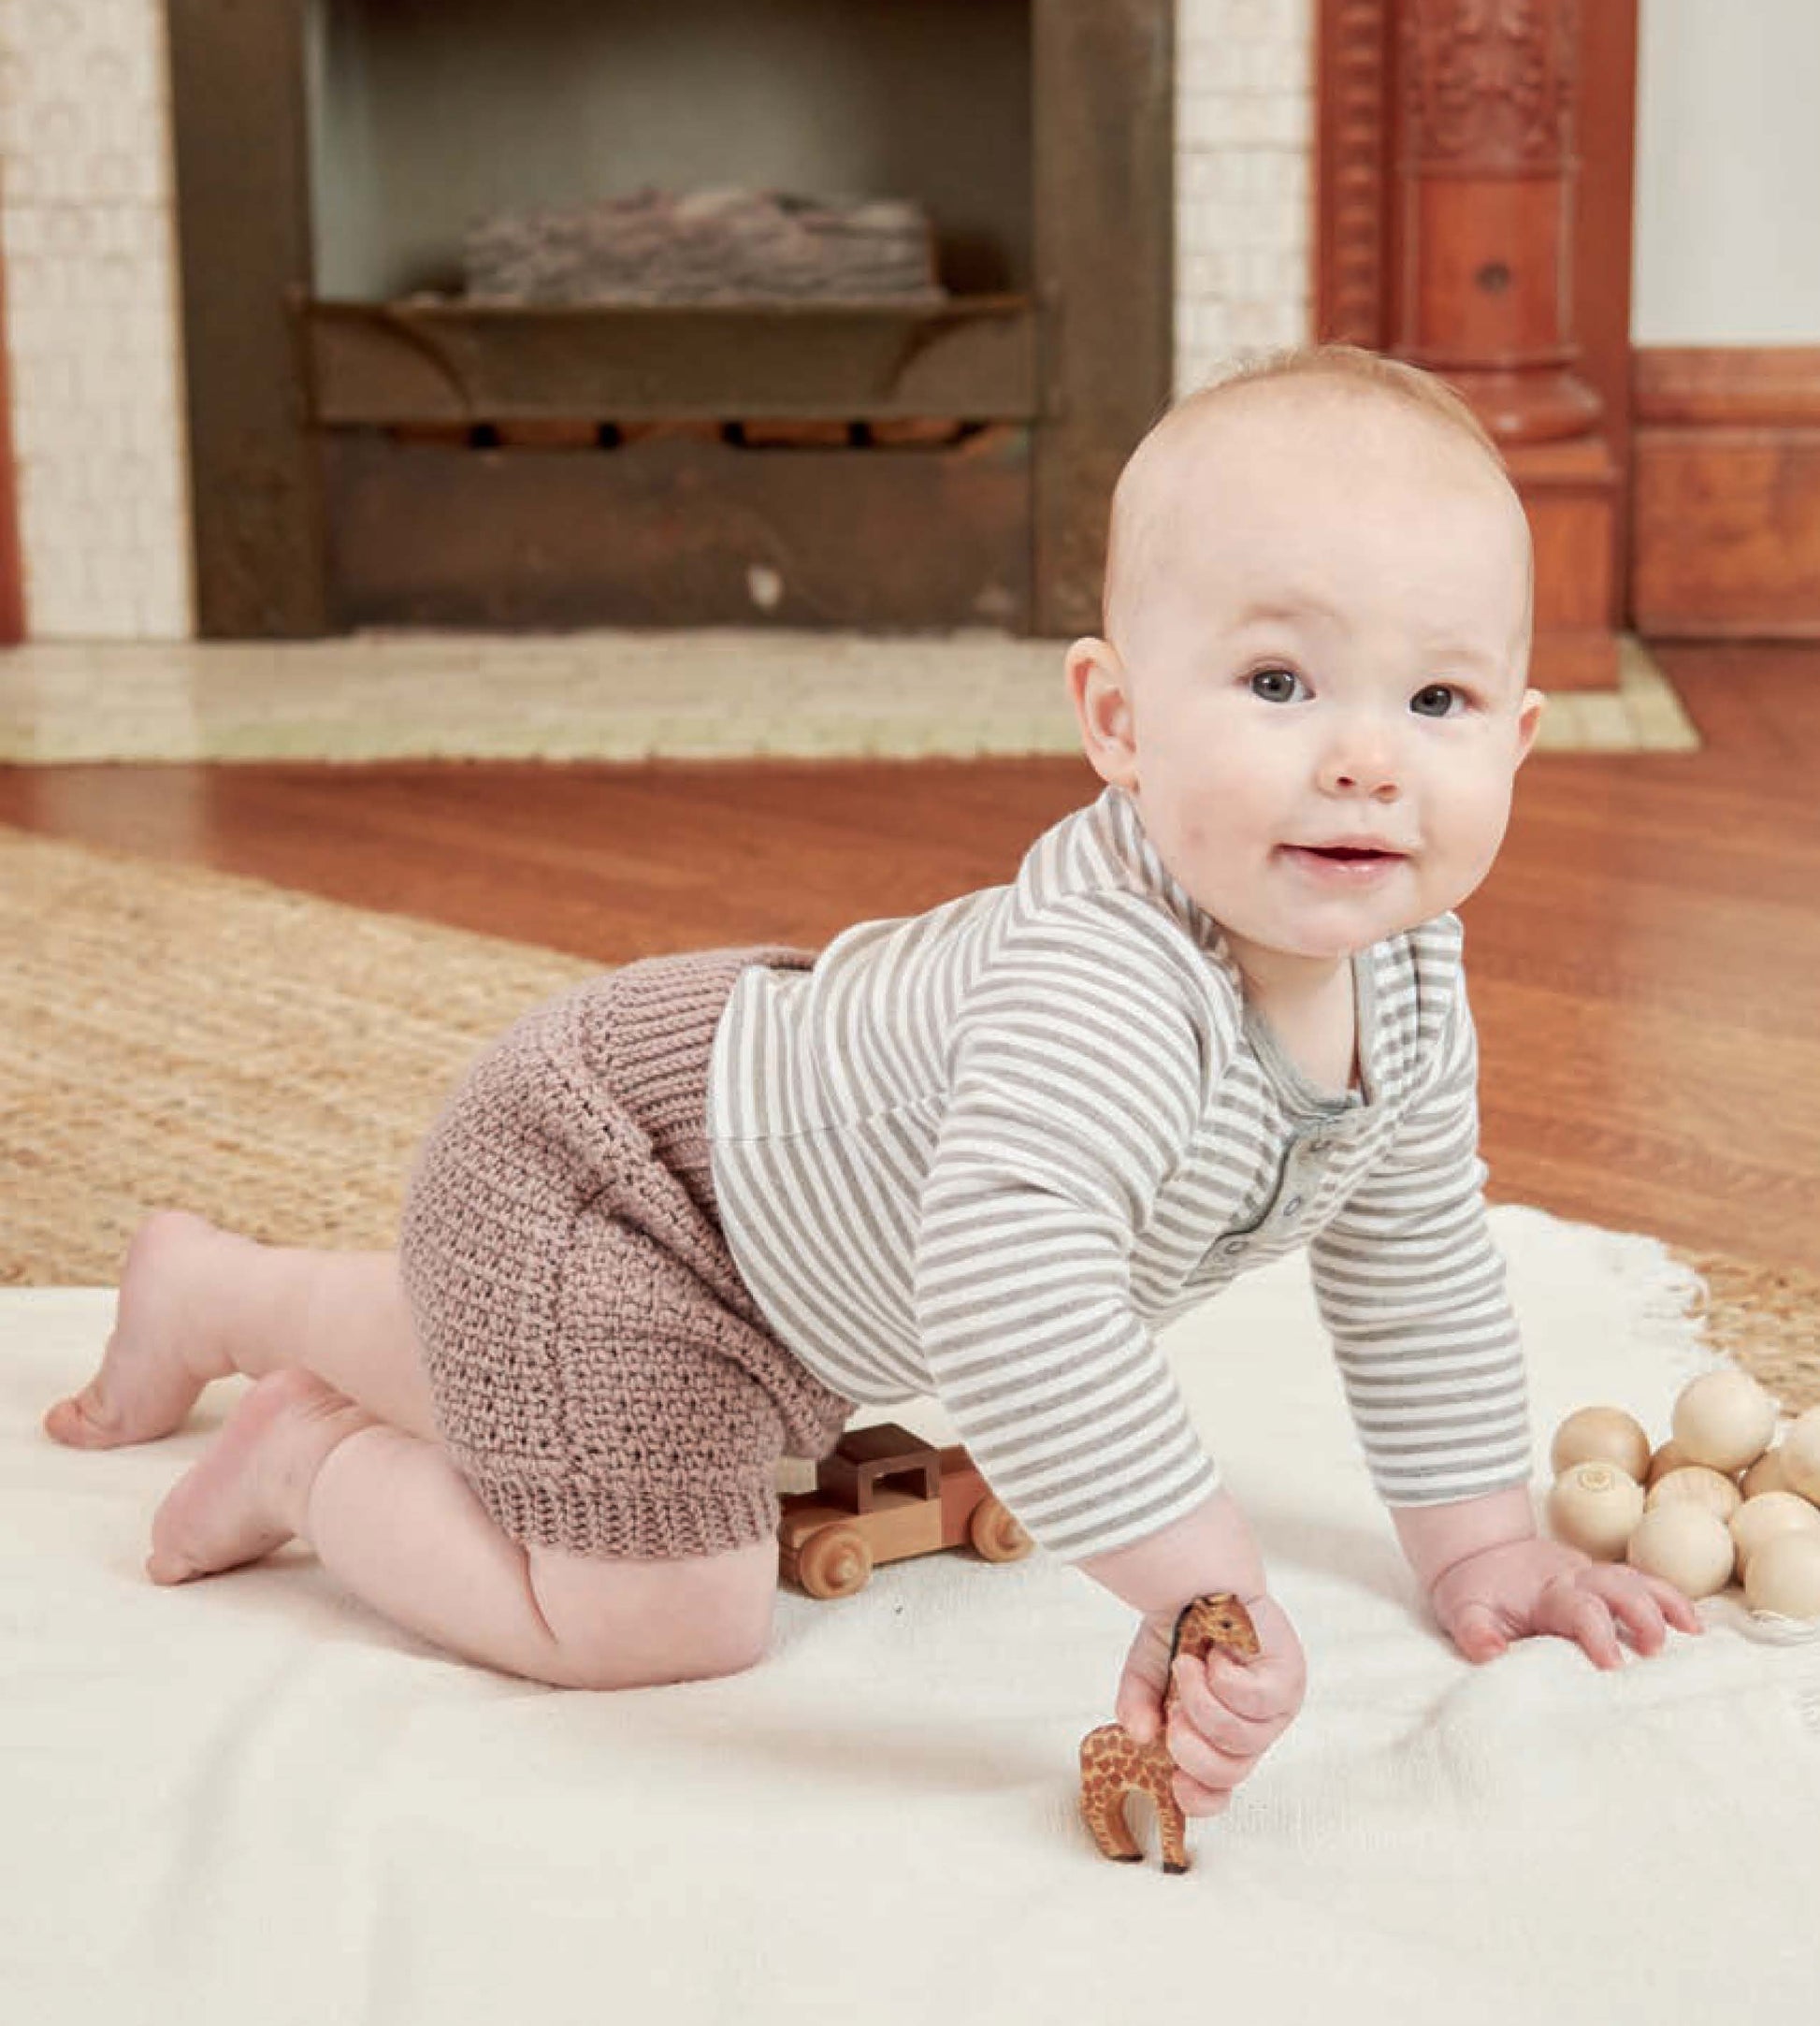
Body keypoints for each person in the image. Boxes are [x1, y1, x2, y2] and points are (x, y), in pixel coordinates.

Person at [44, 344, 1699, 1822]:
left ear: (1519, 741)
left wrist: (1480, 1543)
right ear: (1115, 719)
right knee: (665, 1614)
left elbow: (1411, 1267)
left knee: (547, 1372)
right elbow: (1012, 1296)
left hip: (730, 1255)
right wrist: (1200, 1581)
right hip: (623, 1180)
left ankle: (218, 1290)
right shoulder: (1109, 984)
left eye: (1436, 698)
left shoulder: (1408, 976)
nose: (1365, 754)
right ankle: (304, 1463)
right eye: (1277, 683)